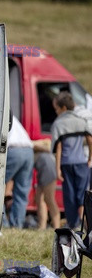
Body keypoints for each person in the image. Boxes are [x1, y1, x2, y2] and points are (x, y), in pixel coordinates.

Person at [51, 91, 92, 229]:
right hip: (81, 162)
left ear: (63, 108)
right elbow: (90, 139)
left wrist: (57, 170)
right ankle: (84, 223)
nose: (55, 112)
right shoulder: (81, 121)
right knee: (82, 194)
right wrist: (90, 158)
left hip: (66, 164)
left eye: (56, 108)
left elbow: (58, 148)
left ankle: (73, 224)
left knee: (70, 195)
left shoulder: (58, 124)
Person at [4, 115, 34, 228]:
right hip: (28, 150)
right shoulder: (11, 115)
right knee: (22, 192)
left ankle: (2, 225)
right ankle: (17, 225)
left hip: (13, 150)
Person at [32, 139, 60, 230]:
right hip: (43, 174)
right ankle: (42, 226)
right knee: (39, 199)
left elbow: (48, 142)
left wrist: (32, 143)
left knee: (49, 199)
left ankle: (57, 226)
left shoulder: (32, 147)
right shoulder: (38, 150)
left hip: (49, 174)